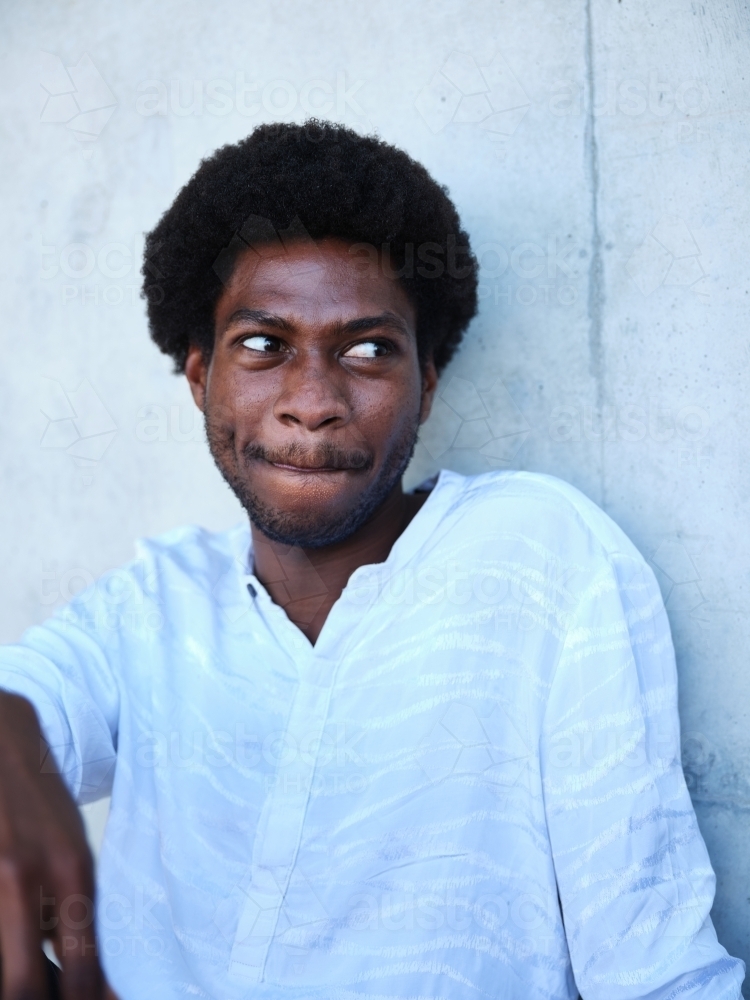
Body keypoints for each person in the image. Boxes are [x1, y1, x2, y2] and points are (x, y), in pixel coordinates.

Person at [0, 120, 743, 1000]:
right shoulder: (155, 605)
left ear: (428, 382)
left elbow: (658, 973)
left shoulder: (539, 557)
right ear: (200, 376)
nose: (312, 403)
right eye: (263, 345)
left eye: (367, 350)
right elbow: (30, 696)